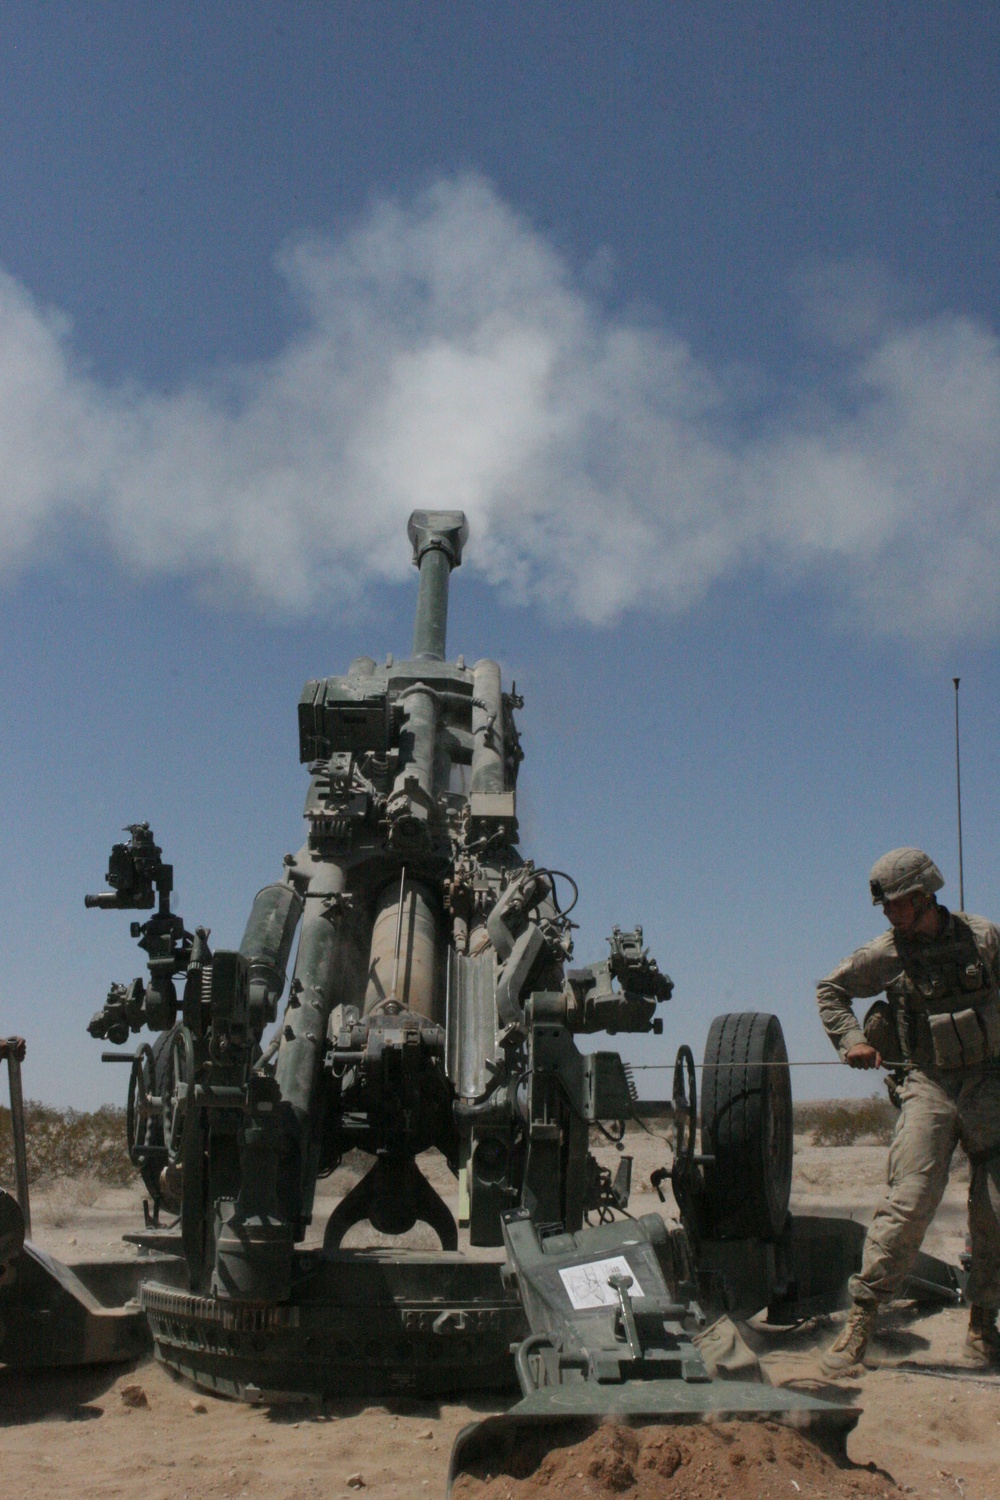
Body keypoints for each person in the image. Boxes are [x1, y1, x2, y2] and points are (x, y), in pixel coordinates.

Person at [816, 847, 1000, 1374]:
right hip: (929, 1085)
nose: (888, 914)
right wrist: (851, 1039)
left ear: (923, 897)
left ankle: (984, 1326)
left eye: (895, 903)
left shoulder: (982, 937)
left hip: (989, 1083)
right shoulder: (888, 954)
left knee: (995, 1211)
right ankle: (861, 1324)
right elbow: (831, 990)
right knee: (909, 1200)